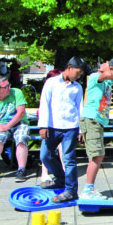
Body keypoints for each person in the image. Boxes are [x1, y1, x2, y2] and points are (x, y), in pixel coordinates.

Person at [79, 56, 113, 200]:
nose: (104, 64)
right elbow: (108, 74)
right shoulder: (95, 77)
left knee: (97, 155)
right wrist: (109, 68)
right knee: (97, 155)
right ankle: (87, 190)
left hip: (97, 121)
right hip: (91, 119)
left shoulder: (108, 79)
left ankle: (89, 188)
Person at [38, 57, 86, 203]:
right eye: (78, 72)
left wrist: (81, 129)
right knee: (45, 156)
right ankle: (60, 179)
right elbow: (44, 103)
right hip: (52, 127)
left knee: (69, 160)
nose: (79, 76)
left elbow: (80, 107)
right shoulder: (51, 83)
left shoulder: (77, 87)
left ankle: (71, 191)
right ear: (69, 68)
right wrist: (43, 125)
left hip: (70, 127)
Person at [0, 77, 31, 181]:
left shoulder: (16, 92)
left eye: (9, 85)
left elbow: (21, 112)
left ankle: (21, 169)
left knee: (21, 139)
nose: (9, 88)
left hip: (20, 122)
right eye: (6, 87)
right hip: (2, 125)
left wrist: (6, 127)